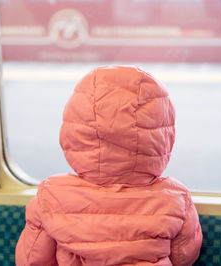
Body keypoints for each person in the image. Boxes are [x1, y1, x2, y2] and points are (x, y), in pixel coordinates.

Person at [15, 66, 203, 265]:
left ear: (74, 133)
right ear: (162, 136)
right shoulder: (176, 199)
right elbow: (184, 257)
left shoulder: (51, 197)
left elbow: (31, 260)